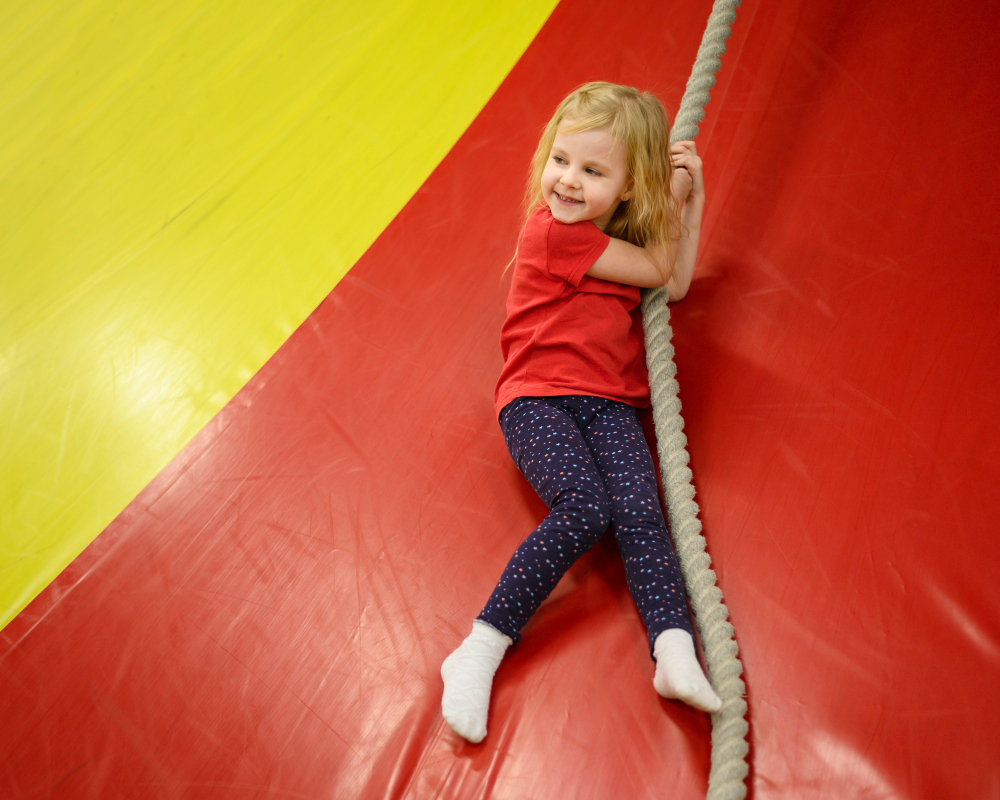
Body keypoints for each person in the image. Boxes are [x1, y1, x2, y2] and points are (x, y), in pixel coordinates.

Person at [441, 82, 721, 744]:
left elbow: (673, 282)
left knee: (641, 512)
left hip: (607, 403)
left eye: (593, 171)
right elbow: (660, 266)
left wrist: (692, 195)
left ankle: (673, 649)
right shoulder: (554, 232)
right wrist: (677, 197)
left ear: (626, 187)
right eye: (561, 160)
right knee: (586, 507)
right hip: (538, 396)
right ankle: (480, 645)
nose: (566, 181)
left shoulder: (604, 236)